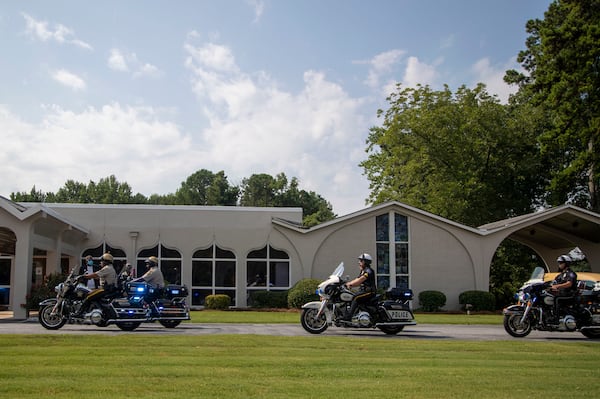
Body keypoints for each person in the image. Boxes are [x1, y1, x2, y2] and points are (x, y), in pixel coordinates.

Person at [342, 253, 377, 321]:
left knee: (355, 297)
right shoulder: (363, 271)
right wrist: (347, 283)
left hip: (369, 291)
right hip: (363, 291)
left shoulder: (368, 271)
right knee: (350, 295)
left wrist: (350, 284)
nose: (359, 263)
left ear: (365, 262)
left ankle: (348, 317)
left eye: (361, 261)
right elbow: (357, 279)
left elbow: (360, 280)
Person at [549, 254, 578, 320]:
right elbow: (553, 282)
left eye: (561, 263)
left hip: (570, 294)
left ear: (566, 263)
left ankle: (556, 317)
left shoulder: (570, 273)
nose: (559, 264)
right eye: (559, 263)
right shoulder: (560, 275)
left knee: (556, 299)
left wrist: (557, 286)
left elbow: (569, 284)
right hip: (563, 293)